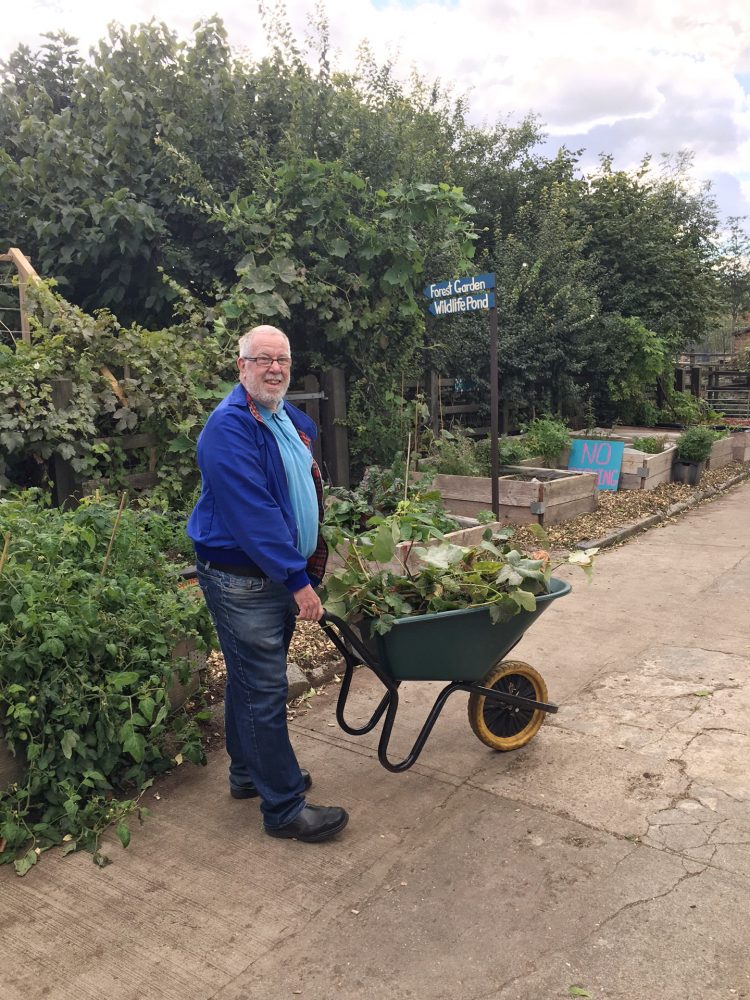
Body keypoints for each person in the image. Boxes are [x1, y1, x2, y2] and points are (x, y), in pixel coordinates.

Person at [187, 324, 349, 843]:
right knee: (263, 690)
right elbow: (254, 515)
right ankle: (283, 808)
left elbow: (301, 488)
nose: (274, 368)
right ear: (242, 367)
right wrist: (298, 581)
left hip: (270, 575)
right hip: (244, 579)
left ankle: (245, 774)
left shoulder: (283, 420)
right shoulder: (228, 429)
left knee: (250, 679)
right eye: (262, 359)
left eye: (281, 358)